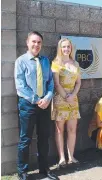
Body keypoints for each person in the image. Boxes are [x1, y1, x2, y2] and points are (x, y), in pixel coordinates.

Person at [14, 31, 58, 180]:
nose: (36, 45)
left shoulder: (45, 61)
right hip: (28, 105)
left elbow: (50, 82)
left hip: (44, 105)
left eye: (39, 42)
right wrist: (36, 99)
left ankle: (44, 169)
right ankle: (22, 171)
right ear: (27, 42)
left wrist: (48, 97)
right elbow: (20, 86)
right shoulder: (21, 61)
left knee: (44, 138)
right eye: (33, 42)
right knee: (25, 139)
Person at [51, 38, 81, 167]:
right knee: (59, 130)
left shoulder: (75, 64)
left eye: (68, 46)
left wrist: (72, 95)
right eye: (64, 47)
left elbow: (79, 82)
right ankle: (62, 158)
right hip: (60, 99)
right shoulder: (56, 63)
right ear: (60, 48)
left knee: (72, 129)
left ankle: (71, 156)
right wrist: (66, 96)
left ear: (71, 48)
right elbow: (56, 84)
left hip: (73, 100)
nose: (66, 49)